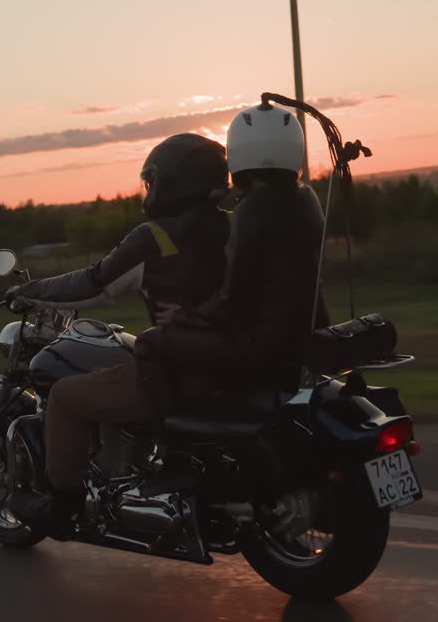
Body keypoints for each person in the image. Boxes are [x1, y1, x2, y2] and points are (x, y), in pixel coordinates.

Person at [4, 133, 230, 534]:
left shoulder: (156, 237)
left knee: (65, 396)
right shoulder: (234, 228)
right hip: (232, 363)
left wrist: (30, 291)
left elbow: (93, 282)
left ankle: (63, 506)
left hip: (180, 372)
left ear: (172, 182)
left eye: (153, 181)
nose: (150, 190)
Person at [139, 99, 332, 420]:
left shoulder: (253, 209)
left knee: (151, 343)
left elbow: (234, 301)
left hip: (266, 345)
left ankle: (174, 441)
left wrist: (185, 317)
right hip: (306, 332)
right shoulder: (305, 197)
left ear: (239, 154)